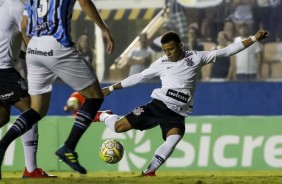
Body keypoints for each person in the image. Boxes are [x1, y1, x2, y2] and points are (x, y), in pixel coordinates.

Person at [95, 29, 268, 176]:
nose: (168, 53)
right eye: (165, 50)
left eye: (171, 49)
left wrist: (254, 38)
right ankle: (104, 115)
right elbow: (139, 77)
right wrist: (111, 88)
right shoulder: (161, 63)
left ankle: (148, 172)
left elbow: (227, 51)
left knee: (174, 138)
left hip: (177, 113)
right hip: (158, 106)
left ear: (180, 46)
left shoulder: (196, 58)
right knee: (118, 127)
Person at [0, 0, 114, 179]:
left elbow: (24, 26)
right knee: (94, 96)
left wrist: (33, 53)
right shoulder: (13, 5)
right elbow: (83, 2)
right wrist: (104, 28)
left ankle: (5, 146)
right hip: (53, 46)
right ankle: (62, 150)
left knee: (23, 112)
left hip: (34, 50)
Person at [0, 0, 56, 178]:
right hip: (3, 71)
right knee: (33, 109)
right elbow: (28, 37)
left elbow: (12, 46)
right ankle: (31, 169)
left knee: (2, 117)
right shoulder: (15, 7)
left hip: (5, 68)